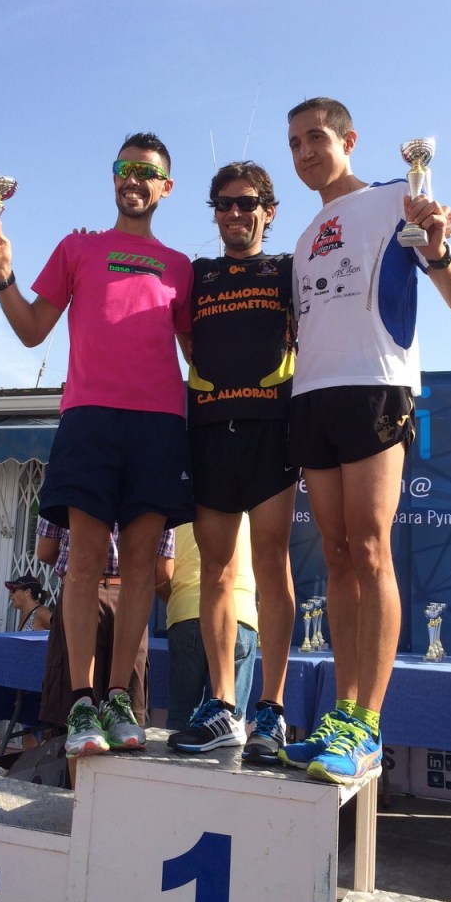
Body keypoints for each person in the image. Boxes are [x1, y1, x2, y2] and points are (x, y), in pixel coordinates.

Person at [0, 132, 194, 760]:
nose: (135, 180)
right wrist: (2, 276)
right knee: (85, 562)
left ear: (165, 187)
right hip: (90, 417)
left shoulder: (180, 266)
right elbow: (33, 331)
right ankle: (83, 703)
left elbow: (201, 356)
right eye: (125, 169)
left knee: (141, 567)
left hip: (158, 423)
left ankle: (120, 696)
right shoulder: (78, 247)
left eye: (147, 173)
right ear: (113, 177)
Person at [278, 97, 451, 786]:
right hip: (313, 397)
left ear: (349, 139)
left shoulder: (400, 197)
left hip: (376, 387)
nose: (304, 152)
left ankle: (367, 724)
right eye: (295, 142)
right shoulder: (303, 238)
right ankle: (341, 714)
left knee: (368, 547)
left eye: (316, 139)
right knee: (334, 555)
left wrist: (440, 247)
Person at [168, 162, 298, 764]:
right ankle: (223, 706)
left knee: (271, 563)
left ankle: (270, 709)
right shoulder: (196, 275)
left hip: (272, 429)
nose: (235, 215)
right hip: (211, 429)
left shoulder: (288, 270)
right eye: (223, 205)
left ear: (267, 210)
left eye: (247, 204)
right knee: (217, 571)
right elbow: (180, 336)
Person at [36, 518, 174, 728]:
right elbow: (164, 571)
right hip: (130, 596)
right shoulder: (156, 488)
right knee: (125, 711)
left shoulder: (75, 485)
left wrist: (78, 568)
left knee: (73, 706)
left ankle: (77, 743)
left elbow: (45, 551)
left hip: (79, 593)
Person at [164, 519, 257, 731]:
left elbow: (162, 571)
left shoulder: (176, 513)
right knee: (230, 720)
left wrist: (183, 602)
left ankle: (172, 764)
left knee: (181, 720)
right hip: (240, 614)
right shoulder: (248, 512)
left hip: (187, 611)